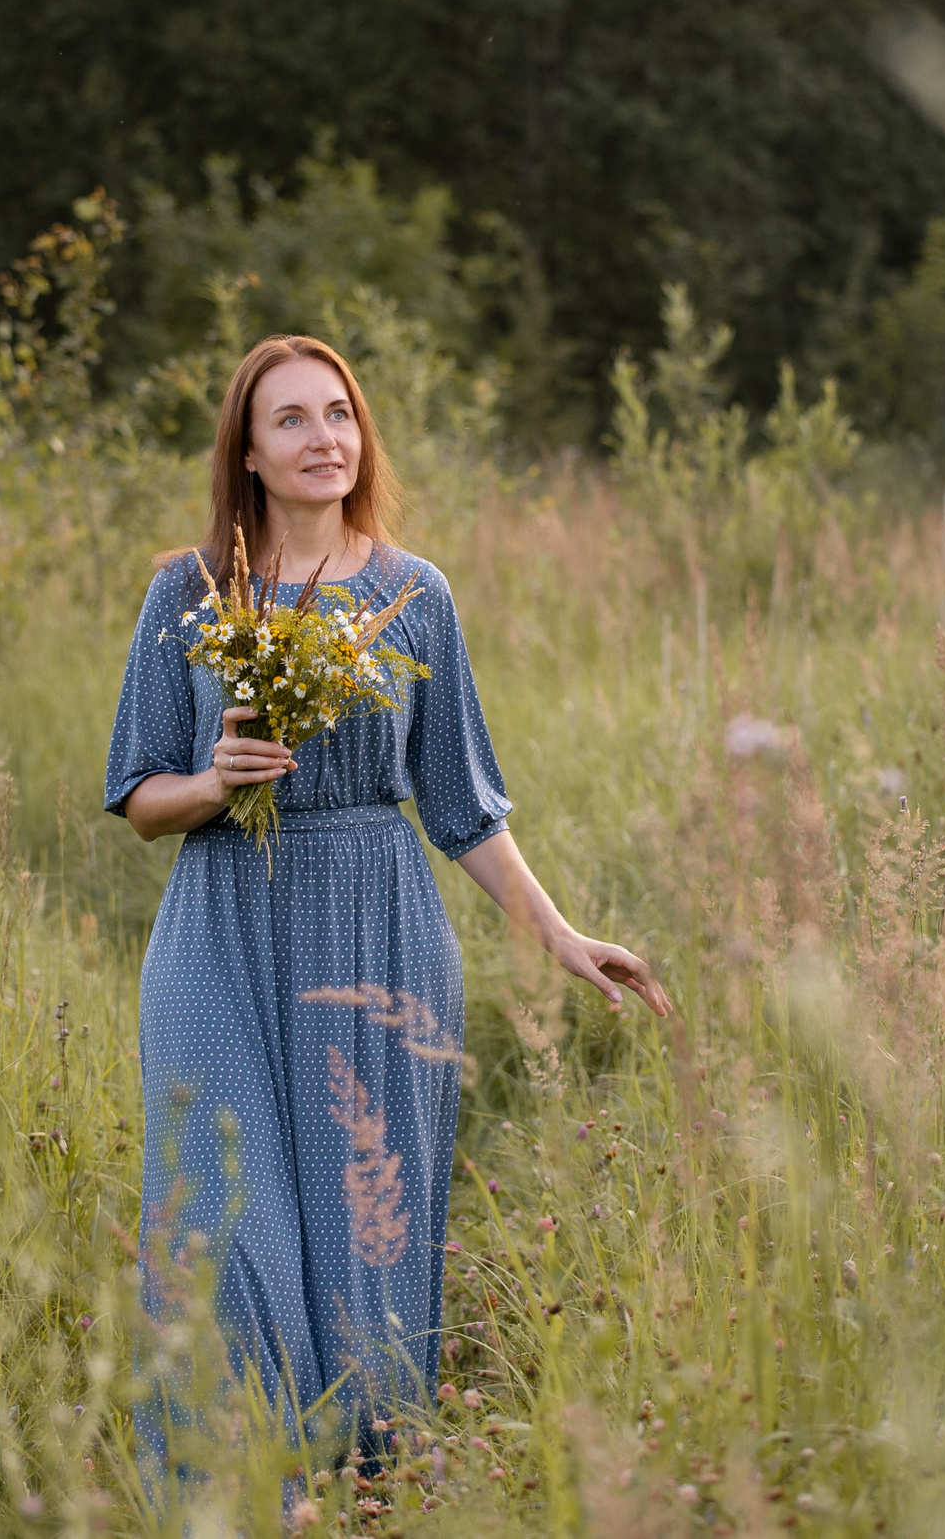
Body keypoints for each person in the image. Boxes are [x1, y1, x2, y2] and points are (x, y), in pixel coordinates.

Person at [104, 335, 669, 1457]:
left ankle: (360, 1494)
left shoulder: (417, 596)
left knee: (369, 1239)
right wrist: (215, 782)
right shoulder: (189, 590)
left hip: (376, 935)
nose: (324, 439)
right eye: (292, 421)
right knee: (226, 1233)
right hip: (219, 933)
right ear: (249, 454)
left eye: (339, 415)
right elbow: (139, 797)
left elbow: (462, 808)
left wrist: (558, 936)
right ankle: (232, 1501)